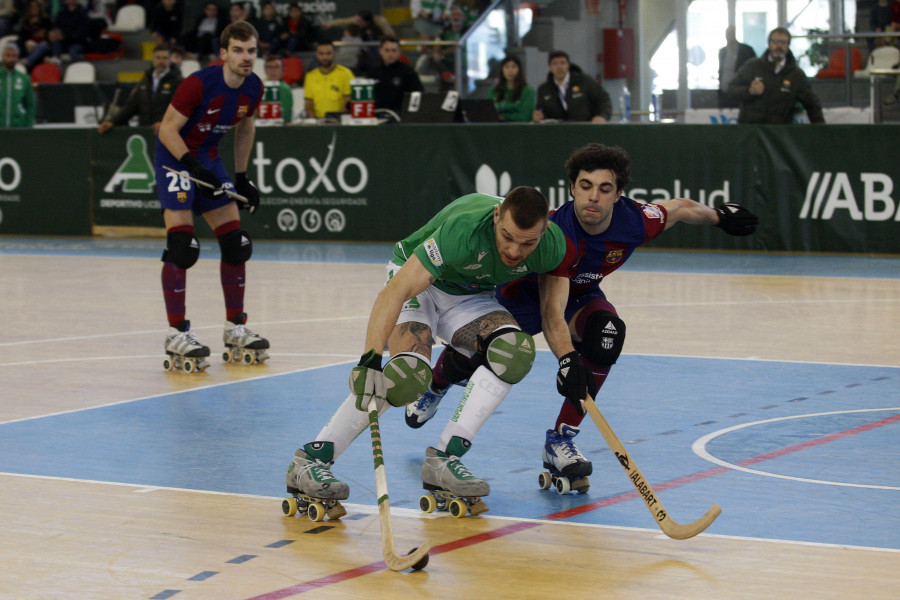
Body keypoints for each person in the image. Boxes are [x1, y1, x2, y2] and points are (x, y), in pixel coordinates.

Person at [406, 144, 759, 489]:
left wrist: (719, 216)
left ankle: (560, 440)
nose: (593, 197)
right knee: (477, 358)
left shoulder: (634, 221)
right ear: (572, 187)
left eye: (605, 189)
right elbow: (550, 313)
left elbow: (679, 208)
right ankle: (436, 387)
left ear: (619, 193)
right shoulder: (560, 235)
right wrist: (567, 360)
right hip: (524, 296)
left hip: (580, 295)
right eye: (585, 186)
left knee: (607, 335)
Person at [285, 187, 568, 509]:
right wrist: (370, 359)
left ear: (544, 230)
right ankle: (311, 459)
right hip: (418, 282)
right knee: (406, 376)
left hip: (470, 297)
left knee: (513, 353)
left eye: (527, 243)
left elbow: (552, 314)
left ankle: (444, 461)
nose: (515, 251)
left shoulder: (553, 245)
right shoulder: (464, 229)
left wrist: (569, 360)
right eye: (507, 237)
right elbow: (398, 290)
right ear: (496, 217)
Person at [154, 21, 269, 372]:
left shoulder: (253, 88)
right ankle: (176, 332)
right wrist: (190, 165)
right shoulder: (198, 84)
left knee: (236, 244)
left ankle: (235, 327)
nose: (246, 57)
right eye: (238, 50)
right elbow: (167, 129)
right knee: (182, 247)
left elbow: (246, 127)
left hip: (207, 158)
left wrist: (242, 177)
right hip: (175, 160)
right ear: (223, 53)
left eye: (251, 50)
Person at [728, 27, 824, 124]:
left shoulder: (796, 75)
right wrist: (749, 91)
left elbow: (812, 105)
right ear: (769, 43)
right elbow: (732, 88)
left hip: (779, 133)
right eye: (775, 41)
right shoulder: (752, 66)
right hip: (752, 131)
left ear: (788, 45)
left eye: (783, 42)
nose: (779, 46)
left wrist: (821, 131)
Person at [98, 44, 183, 136]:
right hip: (145, 131)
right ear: (153, 59)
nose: (161, 61)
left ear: (170, 60)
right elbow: (131, 106)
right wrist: (112, 122)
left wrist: (163, 122)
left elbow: (178, 107)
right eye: (158, 57)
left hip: (169, 133)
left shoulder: (178, 82)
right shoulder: (145, 81)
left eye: (164, 58)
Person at [533, 50, 612, 123]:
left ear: (568, 65)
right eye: (555, 63)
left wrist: (602, 116)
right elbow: (542, 109)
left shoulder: (585, 81)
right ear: (550, 67)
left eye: (562, 63)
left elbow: (603, 99)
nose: (559, 67)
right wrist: (539, 114)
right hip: (558, 132)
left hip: (586, 129)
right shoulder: (544, 89)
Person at [366, 36, 423, 114]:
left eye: (394, 50)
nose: (390, 54)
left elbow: (418, 94)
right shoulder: (373, 72)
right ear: (380, 51)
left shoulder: (408, 72)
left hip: (400, 116)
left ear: (399, 51)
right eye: (387, 50)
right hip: (376, 115)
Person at [304, 40, 353, 119]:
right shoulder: (310, 76)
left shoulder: (345, 74)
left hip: (339, 121)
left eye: (328, 53)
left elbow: (349, 102)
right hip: (318, 122)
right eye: (321, 54)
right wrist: (313, 120)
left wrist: (338, 119)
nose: (325, 57)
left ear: (334, 53)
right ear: (316, 55)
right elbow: (308, 103)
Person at [717, 26, 756, 109]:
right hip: (724, 92)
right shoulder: (722, 51)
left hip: (740, 92)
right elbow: (721, 70)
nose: (729, 36)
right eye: (727, 34)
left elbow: (754, 69)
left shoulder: (746, 50)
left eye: (731, 34)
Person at [489, 54, 535, 122]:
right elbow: (489, 114)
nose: (510, 70)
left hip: (518, 129)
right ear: (502, 70)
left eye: (514, 67)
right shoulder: (494, 90)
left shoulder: (528, 91)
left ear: (519, 70)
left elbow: (525, 117)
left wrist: (503, 116)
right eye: (506, 67)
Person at [1, 43, 35, 127]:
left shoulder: (25, 79)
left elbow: (30, 105)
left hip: (18, 127)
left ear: (18, 58)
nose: (11, 59)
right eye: (8, 55)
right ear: (2, 56)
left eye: (14, 56)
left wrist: (29, 125)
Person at [256, 54, 292, 125]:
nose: (273, 71)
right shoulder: (258, 87)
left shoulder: (286, 89)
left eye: (276, 67)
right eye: (270, 67)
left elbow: (287, 116)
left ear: (282, 70)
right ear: (265, 70)